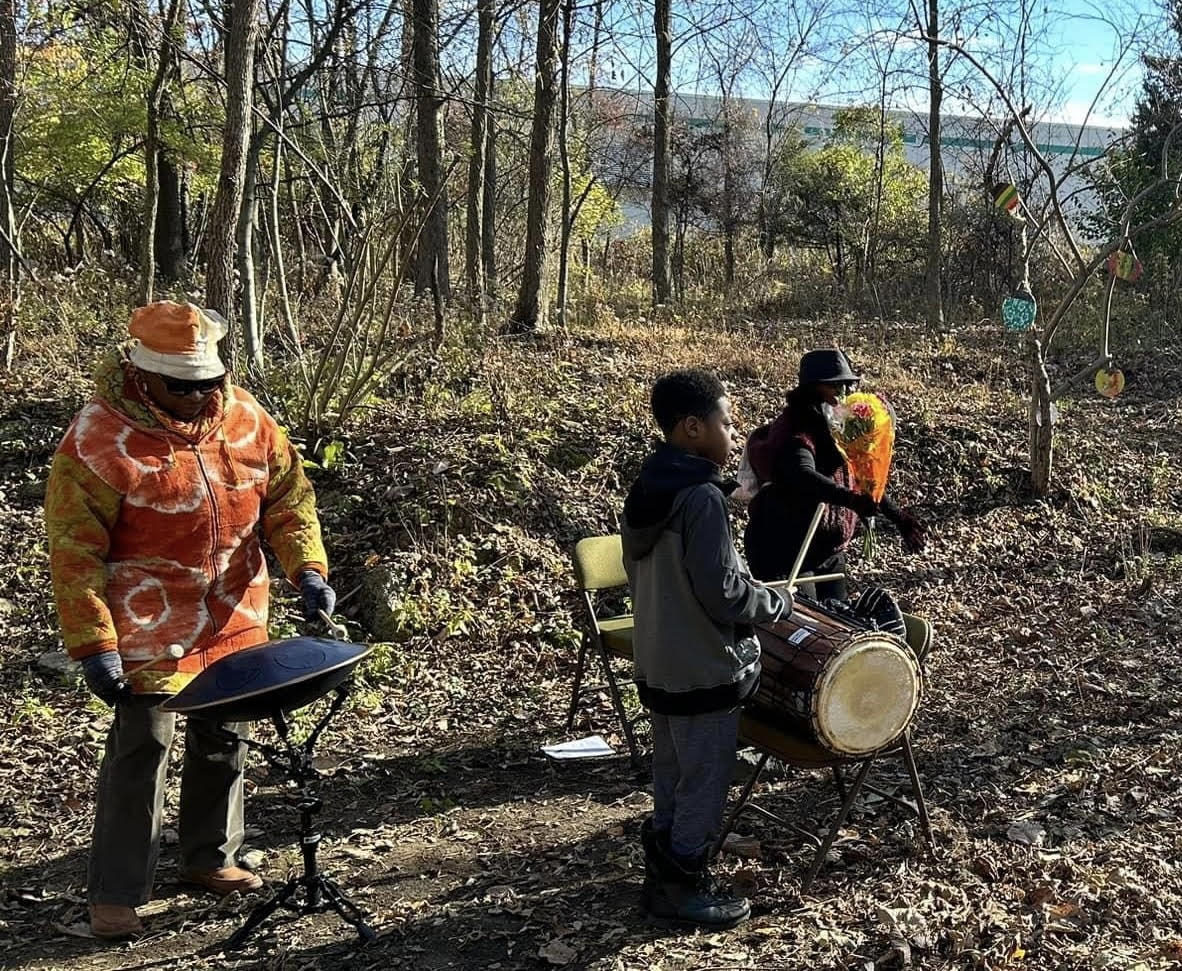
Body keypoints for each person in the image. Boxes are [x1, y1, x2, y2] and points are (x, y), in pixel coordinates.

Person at [44, 301, 336, 940]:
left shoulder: (248, 419)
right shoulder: (95, 438)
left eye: (208, 379)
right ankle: (117, 891)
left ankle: (212, 856)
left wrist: (307, 570)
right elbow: (73, 549)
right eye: (182, 384)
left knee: (224, 736)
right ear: (143, 374)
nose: (198, 393)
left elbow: (288, 500)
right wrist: (93, 641)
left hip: (234, 609)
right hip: (145, 621)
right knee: (142, 748)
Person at [621, 368, 789, 929]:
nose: (733, 431)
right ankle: (685, 887)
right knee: (706, 780)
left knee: (671, 772)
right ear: (692, 428)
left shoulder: (650, 485)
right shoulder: (698, 499)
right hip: (702, 667)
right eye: (726, 420)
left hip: (658, 662)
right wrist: (774, 605)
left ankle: (661, 883)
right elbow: (724, 593)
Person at [742, 348, 926, 599]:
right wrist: (851, 500)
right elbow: (802, 475)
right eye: (836, 386)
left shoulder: (842, 423)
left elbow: (864, 476)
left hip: (827, 552)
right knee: (805, 628)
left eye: (848, 385)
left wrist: (899, 518)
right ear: (813, 388)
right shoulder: (795, 426)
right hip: (786, 551)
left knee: (838, 623)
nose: (844, 393)